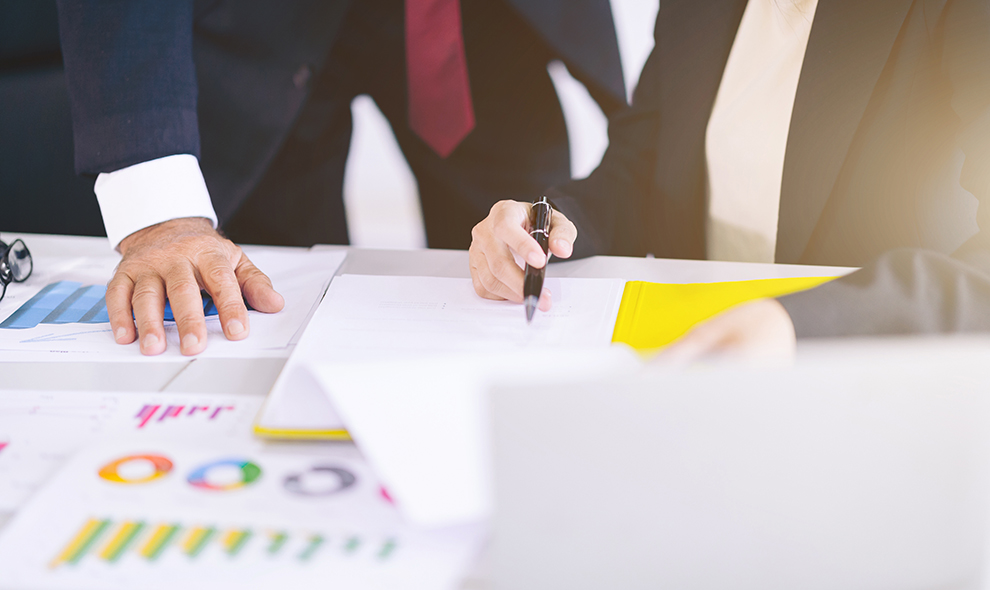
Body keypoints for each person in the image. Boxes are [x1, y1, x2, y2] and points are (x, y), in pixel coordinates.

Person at [55, 0, 626, 355]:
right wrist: (162, 216)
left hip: (474, 23)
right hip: (254, 28)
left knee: (523, 258)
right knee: (263, 301)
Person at [470, 0, 990, 358]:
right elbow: (638, 171)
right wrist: (551, 223)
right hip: (693, 360)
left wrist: (796, 326)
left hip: (870, 374)